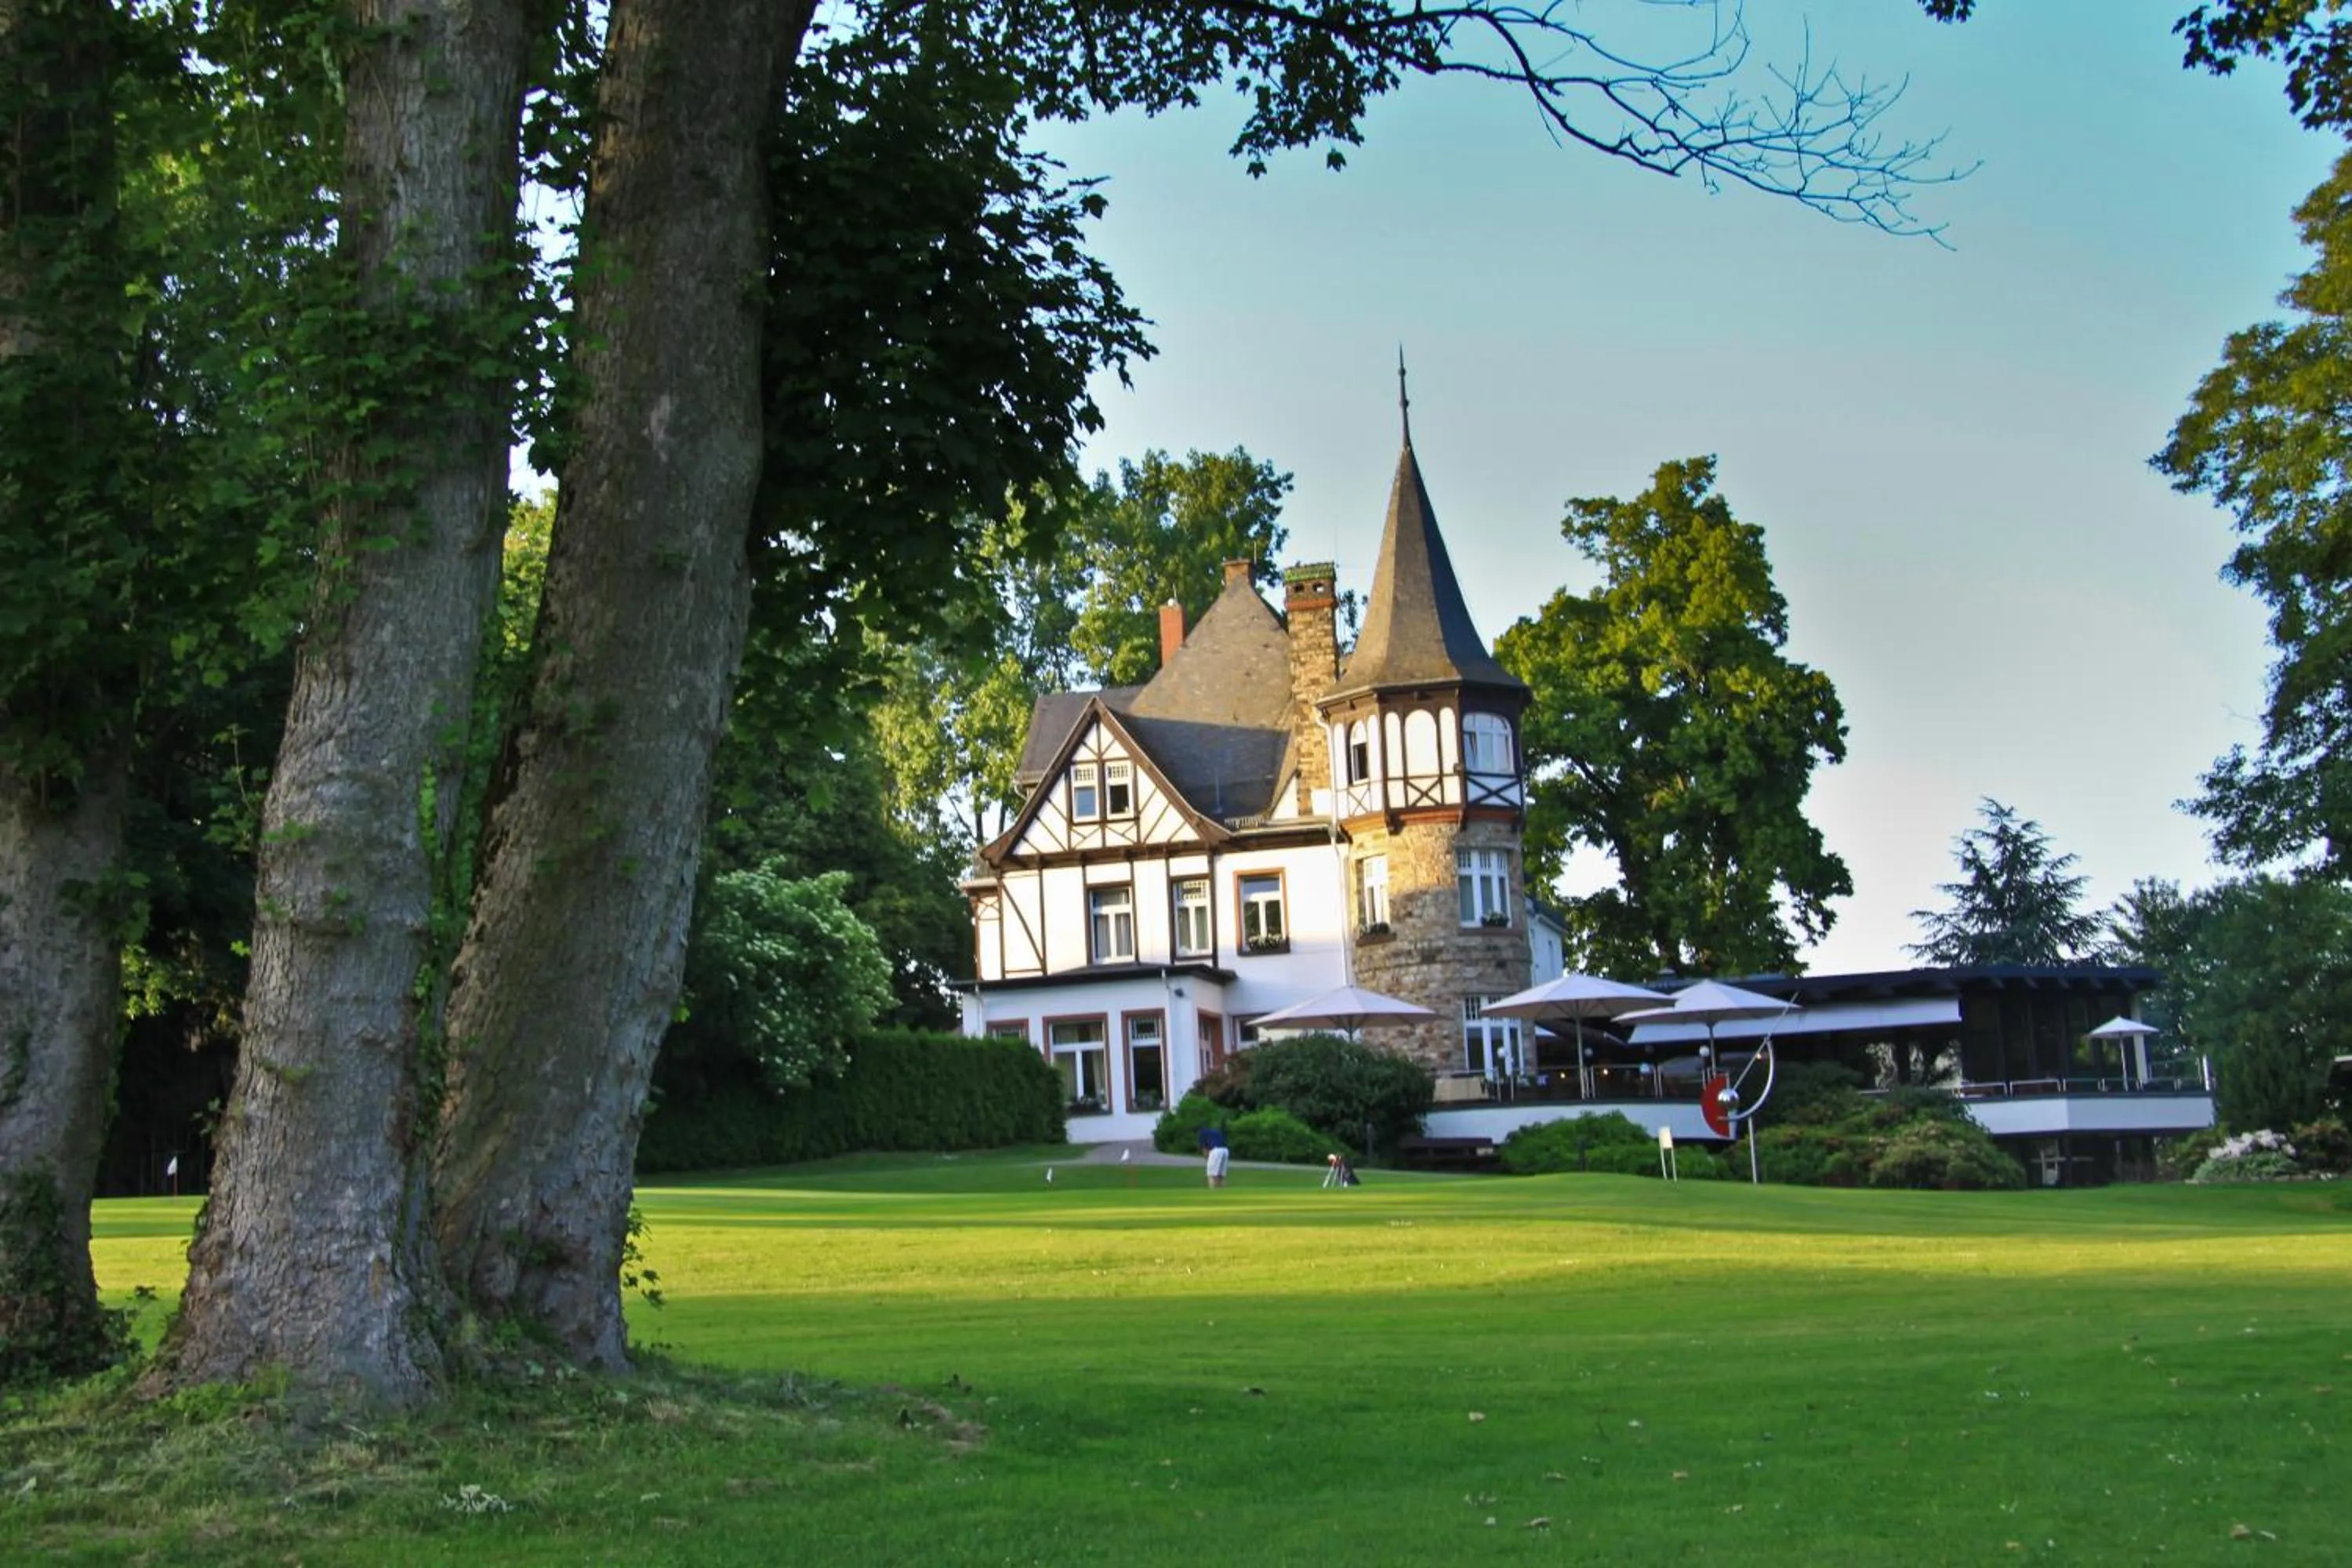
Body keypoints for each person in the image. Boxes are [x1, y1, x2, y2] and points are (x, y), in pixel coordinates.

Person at [1199, 1123, 1230, 1187]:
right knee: (1221, 1175)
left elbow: (1204, 1148)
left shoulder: (1202, 1133)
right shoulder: (1216, 1131)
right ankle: (1222, 1191)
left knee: (1211, 1175)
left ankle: (1212, 1191)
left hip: (1216, 1150)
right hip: (1225, 1150)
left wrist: (1207, 1160)